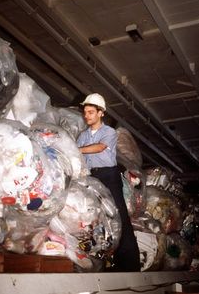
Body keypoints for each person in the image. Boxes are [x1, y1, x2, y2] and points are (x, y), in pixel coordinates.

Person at [77, 93, 141, 272]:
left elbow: (99, 148)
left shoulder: (109, 133)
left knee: (119, 216)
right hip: (91, 177)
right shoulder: (83, 136)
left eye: (91, 112)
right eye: (85, 112)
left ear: (101, 113)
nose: (87, 116)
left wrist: (77, 149)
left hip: (109, 176)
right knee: (95, 218)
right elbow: (79, 157)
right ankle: (100, 262)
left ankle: (130, 265)